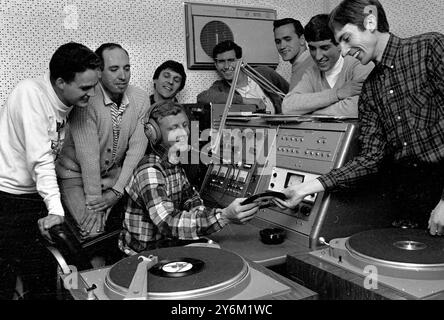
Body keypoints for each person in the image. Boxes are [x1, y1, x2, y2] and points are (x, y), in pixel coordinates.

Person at [275, 0, 444, 236]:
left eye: (345, 39)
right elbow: (371, 158)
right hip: (411, 203)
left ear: (371, 23)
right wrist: (306, 188)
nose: (343, 51)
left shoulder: (429, 48)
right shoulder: (371, 88)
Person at [0, 42, 101, 299]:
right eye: (85, 88)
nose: (91, 94)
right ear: (60, 82)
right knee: (5, 281)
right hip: (7, 199)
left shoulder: (63, 102)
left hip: (34, 197)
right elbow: (40, 159)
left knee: (44, 278)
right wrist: (56, 210)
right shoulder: (30, 94)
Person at [118, 101, 260, 255]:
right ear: (154, 134)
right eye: (174, 128)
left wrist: (216, 214)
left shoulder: (173, 162)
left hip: (168, 247)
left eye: (185, 125)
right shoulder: (150, 171)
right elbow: (168, 223)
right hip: (142, 257)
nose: (184, 133)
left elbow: (191, 200)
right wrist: (224, 216)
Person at [56, 43, 150, 241]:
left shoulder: (140, 98)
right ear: (99, 72)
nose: (122, 76)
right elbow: (88, 155)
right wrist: (94, 202)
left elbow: (136, 150)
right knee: (93, 233)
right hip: (76, 176)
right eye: (114, 69)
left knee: (132, 230)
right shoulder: (86, 96)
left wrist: (117, 191)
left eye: (127, 68)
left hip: (113, 180)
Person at [282, 14, 374, 117]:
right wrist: (337, 94)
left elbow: (357, 108)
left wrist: (309, 112)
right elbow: (288, 106)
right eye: (312, 48)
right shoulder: (313, 71)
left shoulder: (361, 65)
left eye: (324, 48)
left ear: (340, 45)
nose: (317, 56)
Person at [197, 40, 289, 114]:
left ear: (240, 61)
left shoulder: (264, 73)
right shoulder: (220, 87)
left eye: (231, 60)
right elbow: (202, 98)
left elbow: (292, 93)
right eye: (221, 61)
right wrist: (245, 101)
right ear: (216, 65)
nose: (226, 66)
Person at [273, 18, 315, 90]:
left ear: (302, 39)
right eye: (278, 42)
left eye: (287, 39)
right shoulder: (301, 66)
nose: (282, 46)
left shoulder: (313, 67)